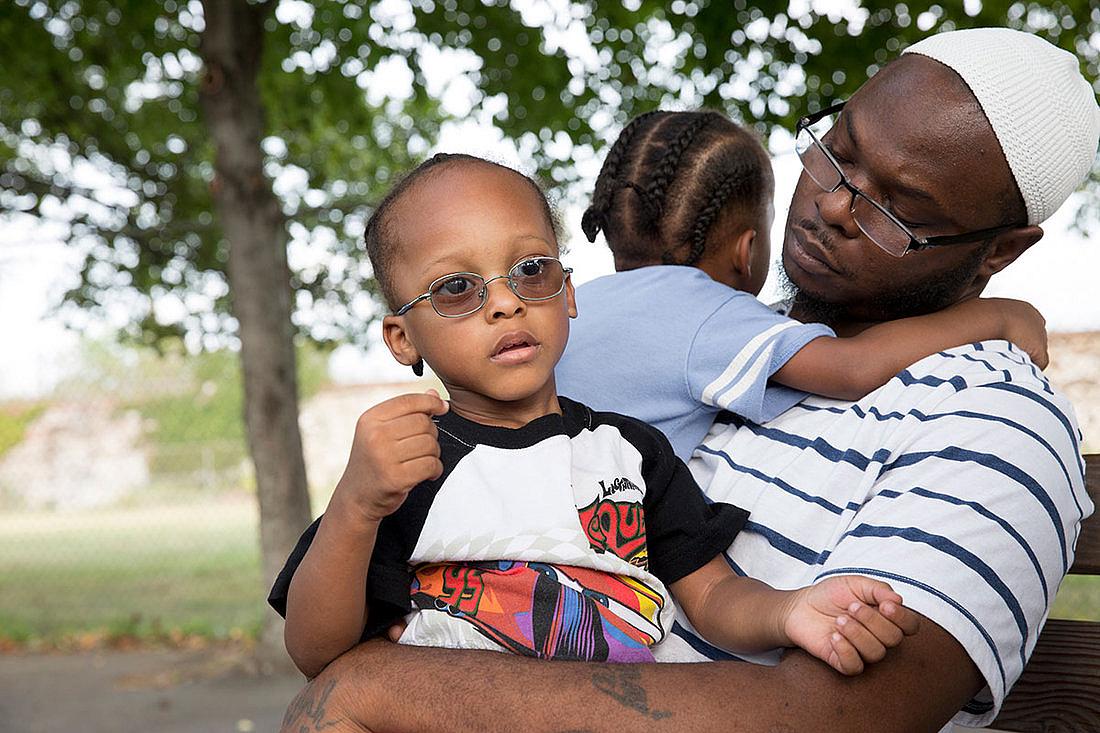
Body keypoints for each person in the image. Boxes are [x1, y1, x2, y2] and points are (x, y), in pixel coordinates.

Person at [278, 28, 1097, 733]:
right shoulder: (720, 346)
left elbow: (830, 717)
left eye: (898, 206)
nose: (834, 206)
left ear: (1002, 251)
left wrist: (387, 688)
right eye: (835, 152)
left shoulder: (992, 419)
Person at [268, 152, 924, 682]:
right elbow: (316, 650)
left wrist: (791, 610)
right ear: (401, 338)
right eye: (457, 288)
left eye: (529, 269)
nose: (504, 304)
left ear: (567, 292)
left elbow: (716, 597)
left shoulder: (632, 453)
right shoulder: (409, 470)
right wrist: (355, 504)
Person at [556, 109, 1048, 459]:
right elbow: (854, 367)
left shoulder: (576, 306)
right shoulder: (712, 315)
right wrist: (999, 316)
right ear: (746, 251)